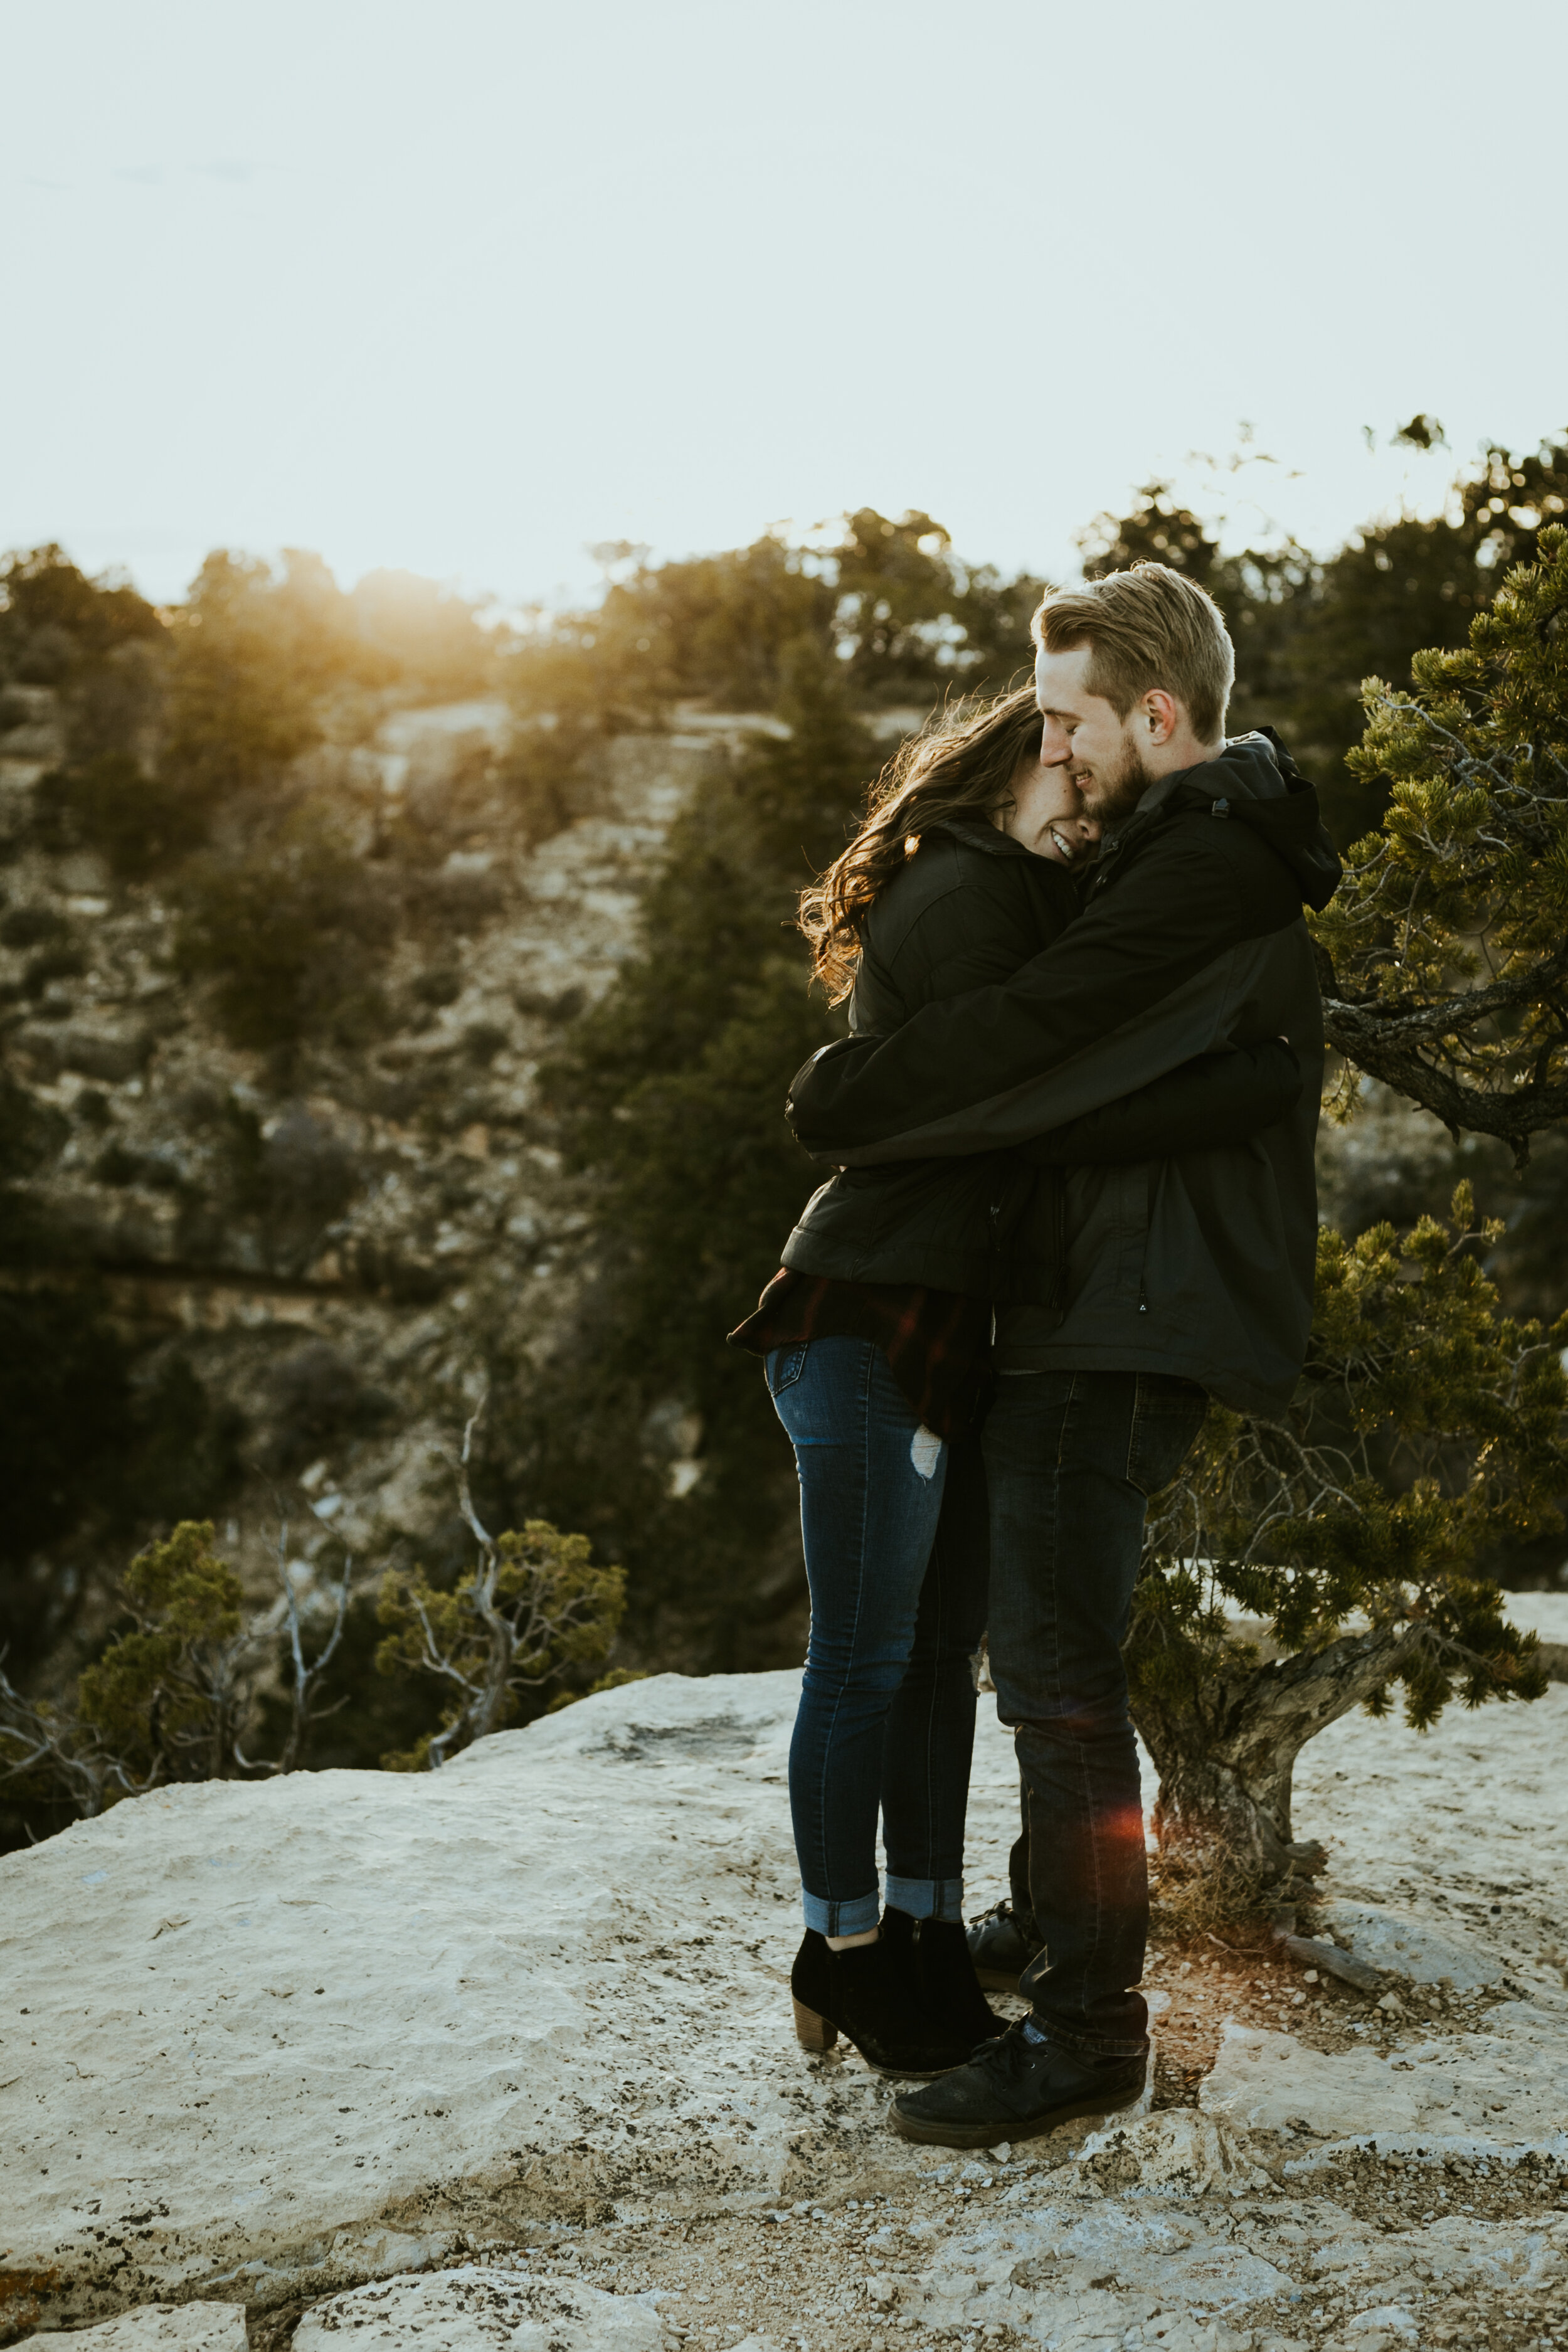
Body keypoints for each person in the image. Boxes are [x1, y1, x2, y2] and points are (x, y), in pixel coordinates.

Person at [785, 563, 1340, 2148]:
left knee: (1054, 1685)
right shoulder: (1186, 844)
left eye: (1067, 720)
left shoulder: (1197, 861)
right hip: (1099, 1304)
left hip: (1119, 1319)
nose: (1052, 750)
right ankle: (1050, 1931)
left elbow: (1039, 1039)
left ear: (1154, 715)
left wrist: (852, 1096)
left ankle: (1089, 2032)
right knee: (1045, 1664)